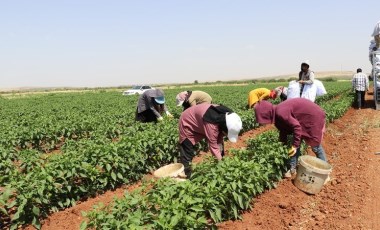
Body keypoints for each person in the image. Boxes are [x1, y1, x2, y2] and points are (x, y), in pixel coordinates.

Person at [254, 99, 327, 178]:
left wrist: (294, 146)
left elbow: (297, 127)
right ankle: (292, 169)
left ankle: (324, 173)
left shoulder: (280, 112)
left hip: (313, 116)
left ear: (266, 114)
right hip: (302, 118)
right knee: (295, 142)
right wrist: (282, 145)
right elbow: (283, 131)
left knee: (315, 146)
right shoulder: (277, 115)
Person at [178, 104, 242, 178]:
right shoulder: (212, 125)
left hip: (201, 119)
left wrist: (222, 158)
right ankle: (187, 175)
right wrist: (223, 165)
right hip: (187, 121)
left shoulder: (228, 117)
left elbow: (220, 139)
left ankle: (220, 162)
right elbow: (214, 146)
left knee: (219, 147)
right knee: (187, 150)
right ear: (224, 128)